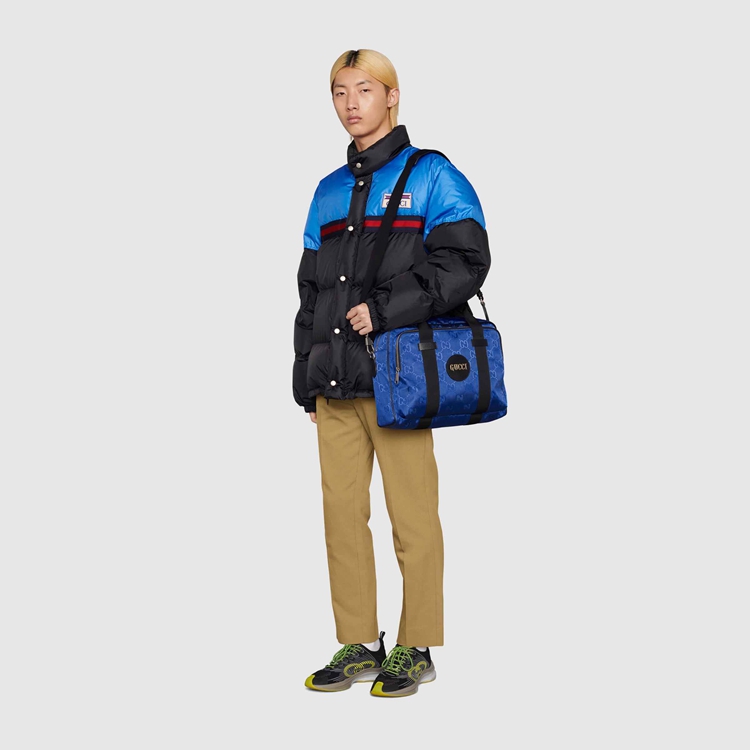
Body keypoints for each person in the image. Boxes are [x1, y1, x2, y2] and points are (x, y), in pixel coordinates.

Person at [292, 49, 491, 697]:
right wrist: (305, 376)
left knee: (413, 516)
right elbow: (310, 291)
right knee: (342, 516)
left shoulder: (432, 175)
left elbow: (465, 261)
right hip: (335, 381)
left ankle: (416, 645)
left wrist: (384, 311)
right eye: (339, 92)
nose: (351, 104)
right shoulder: (327, 190)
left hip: (400, 376)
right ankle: (359, 641)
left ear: (392, 96)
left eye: (364, 90)